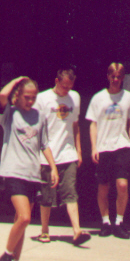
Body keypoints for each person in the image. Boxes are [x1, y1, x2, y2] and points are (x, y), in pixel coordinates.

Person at [0, 76, 58, 261]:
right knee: (24, 217)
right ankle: (5, 257)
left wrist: (53, 167)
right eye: (26, 97)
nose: (30, 101)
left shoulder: (40, 116)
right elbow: (3, 94)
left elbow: (44, 144)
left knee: (20, 222)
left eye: (33, 98)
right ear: (18, 95)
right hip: (14, 172)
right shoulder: (10, 115)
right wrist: (18, 80)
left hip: (33, 174)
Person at [34, 68, 91, 246]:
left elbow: (75, 125)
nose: (66, 90)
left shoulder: (75, 97)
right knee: (47, 195)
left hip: (68, 153)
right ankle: (44, 231)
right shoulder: (42, 98)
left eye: (69, 87)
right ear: (56, 80)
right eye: (64, 86)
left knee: (70, 191)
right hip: (47, 154)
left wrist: (79, 151)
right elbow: (36, 129)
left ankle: (76, 231)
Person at [85, 62, 130, 239]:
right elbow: (92, 124)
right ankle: (105, 223)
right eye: (113, 76)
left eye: (119, 76)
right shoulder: (98, 98)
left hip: (122, 146)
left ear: (123, 78)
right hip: (103, 147)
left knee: (122, 185)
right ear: (108, 77)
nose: (116, 79)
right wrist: (94, 147)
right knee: (103, 187)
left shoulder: (129, 98)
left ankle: (119, 222)